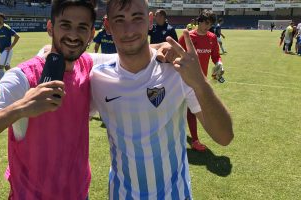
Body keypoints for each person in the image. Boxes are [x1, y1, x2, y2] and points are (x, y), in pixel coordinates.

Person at [0, 0, 107, 199]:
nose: (73, 34)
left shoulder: (87, 64)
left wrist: (163, 48)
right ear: (50, 28)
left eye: (82, 27)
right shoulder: (22, 77)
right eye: (65, 25)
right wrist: (20, 109)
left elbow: (130, 55)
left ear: (91, 34)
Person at [90, 0, 233, 199]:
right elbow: (50, 52)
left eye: (137, 18)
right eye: (119, 19)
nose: (129, 29)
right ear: (108, 26)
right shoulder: (96, 77)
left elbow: (224, 136)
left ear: (150, 21)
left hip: (175, 194)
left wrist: (200, 82)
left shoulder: (176, 71)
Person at [178, 9, 226, 152]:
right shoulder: (187, 37)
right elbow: (176, 52)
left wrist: (219, 63)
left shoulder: (212, 38)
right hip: (182, 78)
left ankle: (195, 140)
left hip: (199, 81)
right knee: (176, 107)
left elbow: (216, 55)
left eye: (210, 24)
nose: (207, 27)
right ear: (199, 21)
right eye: (205, 23)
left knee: (193, 109)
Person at [0, 12, 20, 80]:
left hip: (7, 51)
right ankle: (14, 79)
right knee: (7, 67)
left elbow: (17, 36)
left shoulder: (6, 27)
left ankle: (0, 84)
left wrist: (10, 47)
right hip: (2, 51)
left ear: (2, 19)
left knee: (0, 67)